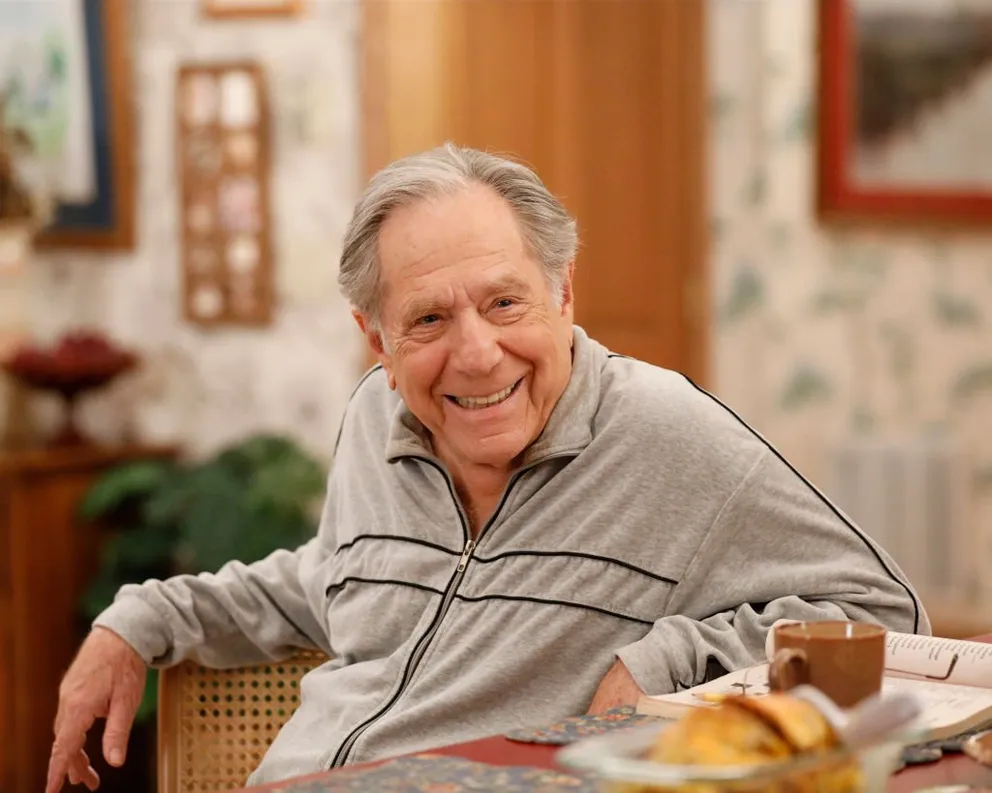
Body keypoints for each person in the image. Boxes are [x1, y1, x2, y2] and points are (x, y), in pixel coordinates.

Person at [47, 143, 928, 793]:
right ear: (378, 340)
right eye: (427, 321)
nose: (475, 354)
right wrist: (139, 619)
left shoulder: (668, 434)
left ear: (564, 293)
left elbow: (883, 613)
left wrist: (672, 659)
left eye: (505, 302)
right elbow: (337, 582)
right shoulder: (373, 415)